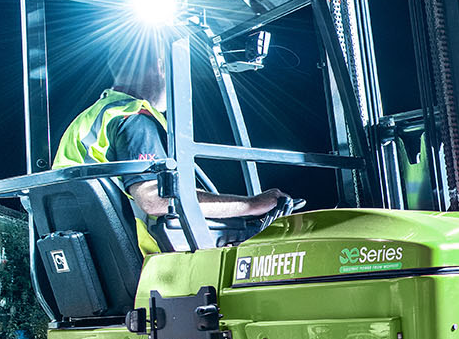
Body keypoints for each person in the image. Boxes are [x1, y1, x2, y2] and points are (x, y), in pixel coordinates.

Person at [55, 42, 289, 257]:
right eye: (168, 70)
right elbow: (155, 200)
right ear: (158, 66)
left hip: (103, 263)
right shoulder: (134, 118)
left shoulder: (92, 118)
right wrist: (252, 205)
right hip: (146, 262)